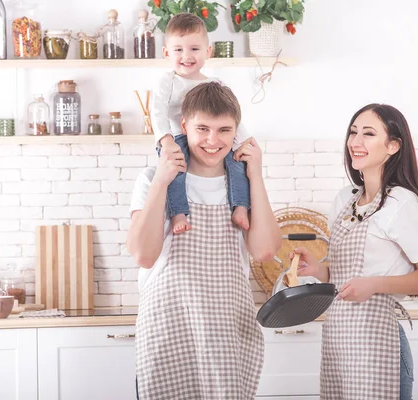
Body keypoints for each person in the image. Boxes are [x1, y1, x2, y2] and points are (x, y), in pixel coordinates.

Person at [127, 81, 282, 399]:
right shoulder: (151, 180)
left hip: (226, 334)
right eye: (203, 129)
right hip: (169, 331)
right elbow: (143, 255)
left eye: (224, 130)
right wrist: (161, 180)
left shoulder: (242, 187)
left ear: (237, 132)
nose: (213, 141)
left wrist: (257, 175)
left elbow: (265, 250)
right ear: (183, 126)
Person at [292, 104, 418, 400]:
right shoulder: (345, 199)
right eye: (353, 132)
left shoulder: (401, 203)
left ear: (393, 146)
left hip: (378, 341)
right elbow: (346, 274)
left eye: (368, 134)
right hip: (339, 340)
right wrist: (319, 271)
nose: (355, 142)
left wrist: (374, 285)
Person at [151, 12, 251, 235]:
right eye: (178, 50)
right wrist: (165, 139)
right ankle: (178, 212)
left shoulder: (215, 83)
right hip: (177, 137)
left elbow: (232, 117)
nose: (186, 56)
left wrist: (244, 140)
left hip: (208, 138)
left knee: (238, 165)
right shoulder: (168, 81)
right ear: (167, 53)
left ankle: (241, 207)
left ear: (208, 52)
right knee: (176, 169)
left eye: (194, 49)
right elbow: (157, 111)